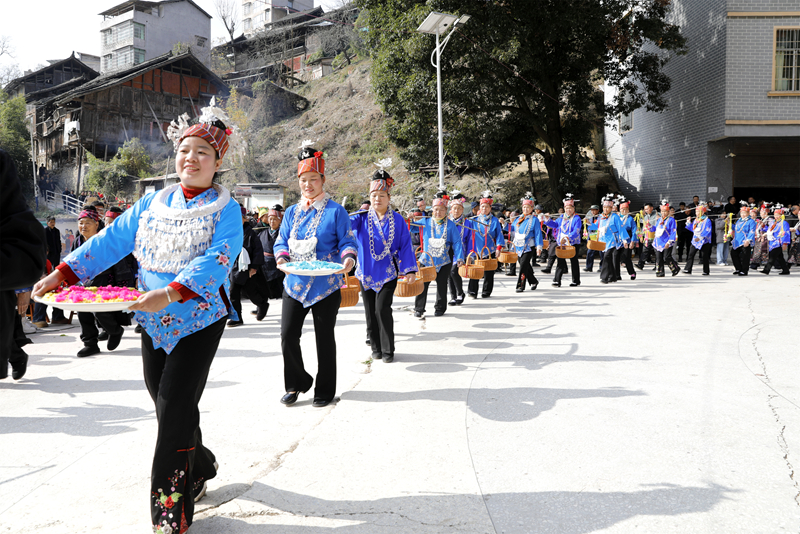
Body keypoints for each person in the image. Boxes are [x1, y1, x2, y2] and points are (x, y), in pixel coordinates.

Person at [34, 103, 244, 533]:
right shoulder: (152, 202)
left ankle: (169, 517)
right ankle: (200, 464)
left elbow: (217, 260)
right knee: (167, 403)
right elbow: (110, 240)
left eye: (203, 151)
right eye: (186, 149)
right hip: (151, 320)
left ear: (217, 161)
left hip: (198, 319)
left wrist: (170, 293)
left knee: (172, 407)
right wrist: (62, 272)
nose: (192, 158)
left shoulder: (228, 210)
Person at [274, 141, 357, 408]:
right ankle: (297, 383)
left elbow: (346, 241)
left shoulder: (336, 211)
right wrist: (281, 258)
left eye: (313, 179)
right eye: (303, 180)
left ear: (323, 179)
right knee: (288, 335)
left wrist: (347, 259)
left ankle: (324, 390)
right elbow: (281, 242)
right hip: (295, 283)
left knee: (324, 339)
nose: (307, 185)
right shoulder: (291, 212)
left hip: (325, 285)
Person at [349, 161, 417, 361]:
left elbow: (405, 245)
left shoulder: (397, 220)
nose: (377, 199)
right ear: (369, 198)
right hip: (365, 272)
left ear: (389, 197)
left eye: (381, 195)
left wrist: (410, 269)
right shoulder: (360, 218)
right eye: (373, 196)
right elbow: (342, 225)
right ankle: (376, 348)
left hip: (387, 272)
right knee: (370, 312)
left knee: (382, 309)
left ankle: (388, 349)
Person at [1, 149, 47, 380]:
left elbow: (25, 254)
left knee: (10, 332)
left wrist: (24, 291)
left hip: (7, 286)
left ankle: (17, 357)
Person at [412, 192, 464, 317]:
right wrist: (411, 218)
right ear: (432, 210)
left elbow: (457, 242)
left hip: (444, 259)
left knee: (442, 284)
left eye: (441, 210)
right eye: (436, 209)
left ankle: (440, 308)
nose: (438, 212)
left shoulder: (451, 225)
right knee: (423, 284)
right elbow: (411, 227)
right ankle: (419, 308)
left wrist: (460, 257)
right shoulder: (425, 222)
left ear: (446, 211)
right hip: (427, 259)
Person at [227, 205, 268, 327]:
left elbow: (258, 251)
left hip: (248, 268)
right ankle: (237, 317)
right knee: (233, 293)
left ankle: (262, 304)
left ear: (244, 218)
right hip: (234, 268)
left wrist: (254, 267)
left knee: (251, 293)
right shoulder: (231, 232)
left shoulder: (251, 233)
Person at [467, 191, 505, 298]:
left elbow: (499, 235)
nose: (484, 209)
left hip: (490, 249)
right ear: (480, 207)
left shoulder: (495, 221)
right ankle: (472, 291)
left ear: (490, 208)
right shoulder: (473, 220)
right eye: (482, 206)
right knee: (475, 270)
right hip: (476, 249)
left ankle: (486, 291)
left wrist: (498, 248)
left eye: (487, 207)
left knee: (489, 272)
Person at [252, 204, 285, 320]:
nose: (272, 221)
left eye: (275, 219)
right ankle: (260, 308)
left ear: (280, 220)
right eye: (270, 219)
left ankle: (288, 308)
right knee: (262, 287)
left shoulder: (283, 233)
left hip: (278, 263)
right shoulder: (262, 233)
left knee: (281, 288)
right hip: (264, 263)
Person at [544, 194, 582, 287]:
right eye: (566, 208)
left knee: (574, 261)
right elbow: (555, 225)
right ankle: (557, 280)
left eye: (570, 208)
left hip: (573, 242)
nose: (568, 210)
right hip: (562, 242)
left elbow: (577, 230)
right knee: (560, 260)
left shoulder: (577, 218)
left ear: (573, 208)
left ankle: (576, 280)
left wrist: (568, 237)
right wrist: (547, 219)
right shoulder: (561, 217)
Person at [510, 192, 543, 292]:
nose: (525, 209)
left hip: (529, 245)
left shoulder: (535, 220)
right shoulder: (518, 219)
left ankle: (520, 285)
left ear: (532, 208)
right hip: (518, 245)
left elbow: (538, 233)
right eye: (524, 207)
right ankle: (533, 281)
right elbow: (512, 229)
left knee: (523, 266)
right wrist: (504, 224)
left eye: (528, 207)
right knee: (524, 265)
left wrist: (539, 247)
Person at [589, 195, 625, 284]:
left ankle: (604, 277)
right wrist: (589, 223)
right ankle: (613, 276)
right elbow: (596, 226)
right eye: (604, 207)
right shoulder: (600, 217)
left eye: (608, 207)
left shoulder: (615, 217)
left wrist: (624, 239)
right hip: (603, 239)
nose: (606, 209)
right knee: (608, 258)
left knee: (606, 257)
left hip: (613, 240)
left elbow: (621, 228)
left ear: (611, 208)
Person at [447, 191, 473, 306]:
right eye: (454, 208)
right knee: (449, 273)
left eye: (458, 208)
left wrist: (470, 254)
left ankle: (460, 292)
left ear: (462, 210)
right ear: (450, 210)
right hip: (447, 251)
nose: (456, 211)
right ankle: (453, 296)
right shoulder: (447, 222)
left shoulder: (467, 223)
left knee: (454, 271)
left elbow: (471, 239)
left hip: (460, 251)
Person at [651, 200, 680, 277]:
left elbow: (673, 231)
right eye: (662, 211)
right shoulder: (659, 219)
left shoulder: (671, 220)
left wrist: (669, 242)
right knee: (658, 257)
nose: (663, 213)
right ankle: (660, 271)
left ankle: (675, 268)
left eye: (665, 211)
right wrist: (650, 227)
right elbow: (656, 228)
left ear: (668, 211)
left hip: (667, 241)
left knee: (667, 256)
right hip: (658, 240)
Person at [684, 202, 713, 275]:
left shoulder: (707, 220)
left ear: (703, 212)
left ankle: (706, 271)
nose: (696, 213)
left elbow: (708, 230)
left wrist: (700, 237)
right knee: (691, 254)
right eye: (696, 211)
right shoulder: (696, 220)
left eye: (698, 211)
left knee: (705, 256)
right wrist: (688, 222)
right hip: (695, 240)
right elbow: (693, 229)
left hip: (704, 240)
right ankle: (688, 269)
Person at [761, 205, 791, 275]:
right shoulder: (773, 223)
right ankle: (785, 270)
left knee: (772, 256)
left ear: (781, 215)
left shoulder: (784, 223)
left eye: (778, 215)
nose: (776, 216)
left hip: (779, 242)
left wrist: (785, 243)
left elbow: (786, 233)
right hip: (772, 242)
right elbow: (769, 230)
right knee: (780, 257)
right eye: (775, 215)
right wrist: (763, 226)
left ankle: (766, 269)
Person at [729, 202, 756, 275]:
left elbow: (752, 231)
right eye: (742, 213)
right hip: (737, 241)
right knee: (733, 254)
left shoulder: (751, 221)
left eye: (745, 213)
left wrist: (748, 240)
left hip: (745, 240)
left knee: (745, 256)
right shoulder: (739, 220)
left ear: (748, 213)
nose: (743, 215)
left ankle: (744, 270)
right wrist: (729, 223)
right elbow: (736, 228)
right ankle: (738, 268)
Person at [617, 198, 638, 280]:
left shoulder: (630, 219)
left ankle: (632, 272)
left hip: (628, 239)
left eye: (626, 209)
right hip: (617, 240)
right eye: (622, 209)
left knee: (627, 257)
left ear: (628, 210)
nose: (624, 211)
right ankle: (617, 274)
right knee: (616, 257)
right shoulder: (616, 218)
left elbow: (634, 230)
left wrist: (633, 241)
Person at [636, 203, 659, 270]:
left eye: (647, 208)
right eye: (645, 209)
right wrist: (641, 236)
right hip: (647, 236)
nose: (646, 210)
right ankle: (640, 265)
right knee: (644, 251)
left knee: (656, 252)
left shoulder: (657, 214)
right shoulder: (645, 217)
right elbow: (643, 227)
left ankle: (657, 266)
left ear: (652, 208)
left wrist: (659, 218)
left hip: (655, 236)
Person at [584, 205, 600, 272]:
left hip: (599, 236)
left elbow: (597, 226)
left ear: (598, 210)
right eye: (591, 210)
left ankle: (602, 267)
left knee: (601, 252)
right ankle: (589, 267)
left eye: (594, 210)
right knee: (590, 252)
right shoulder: (589, 217)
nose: (593, 211)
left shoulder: (600, 217)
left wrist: (589, 224)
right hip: (591, 236)